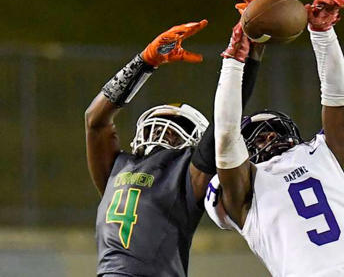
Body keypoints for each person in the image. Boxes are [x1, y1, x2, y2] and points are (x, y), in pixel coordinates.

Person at [205, 0, 344, 277]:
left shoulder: (328, 156)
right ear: (246, 154)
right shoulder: (247, 187)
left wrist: (323, 34)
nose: (268, 137)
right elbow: (226, 135)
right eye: (258, 136)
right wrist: (233, 61)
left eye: (273, 131)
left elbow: (338, 98)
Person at [85, 18, 264, 276]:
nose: (160, 130)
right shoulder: (116, 166)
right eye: (159, 125)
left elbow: (224, 126)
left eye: (173, 126)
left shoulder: (187, 176)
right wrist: (145, 61)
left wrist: (249, 56)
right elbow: (95, 120)